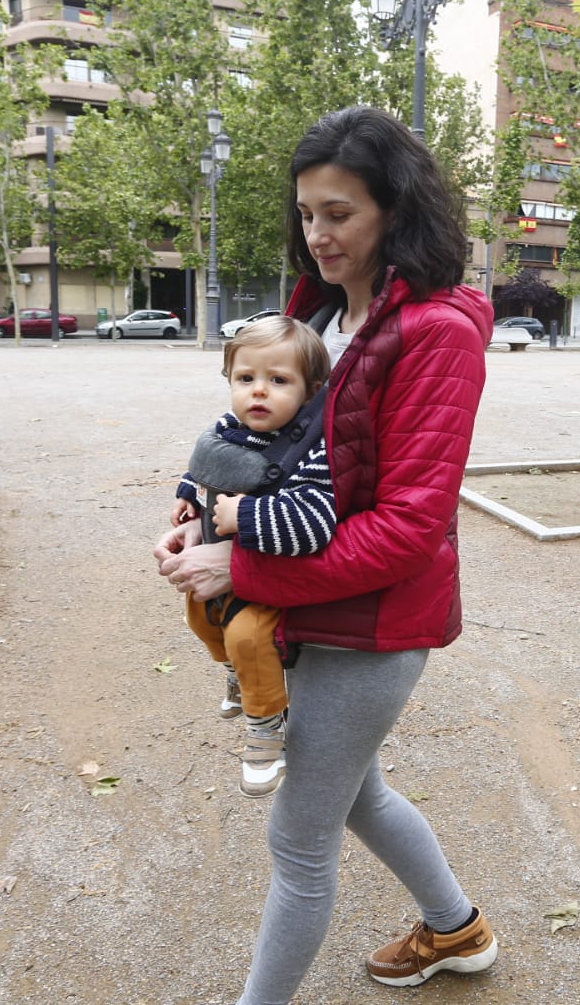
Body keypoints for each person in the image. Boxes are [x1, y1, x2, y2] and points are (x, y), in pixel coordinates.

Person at [154, 106, 497, 1004]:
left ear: (395, 209)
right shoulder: (314, 314)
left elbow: (409, 528)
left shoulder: (436, 334)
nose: (317, 235)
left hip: (373, 624)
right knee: (358, 795)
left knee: (298, 846)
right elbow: (257, 448)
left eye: (339, 213)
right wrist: (197, 519)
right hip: (309, 608)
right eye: (307, 213)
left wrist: (244, 568)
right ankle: (457, 930)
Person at [171, 316, 333, 798]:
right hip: (218, 565)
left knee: (247, 636)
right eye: (246, 379)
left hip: (269, 570)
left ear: (309, 391)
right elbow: (205, 462)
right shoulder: (230, 426)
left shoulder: (312, 450)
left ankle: (266, 728)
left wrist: (244, 516)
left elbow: (314, 524)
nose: (258, 393)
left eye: (278, 381)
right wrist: (186, 491)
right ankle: (237, 677)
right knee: (199, 616)